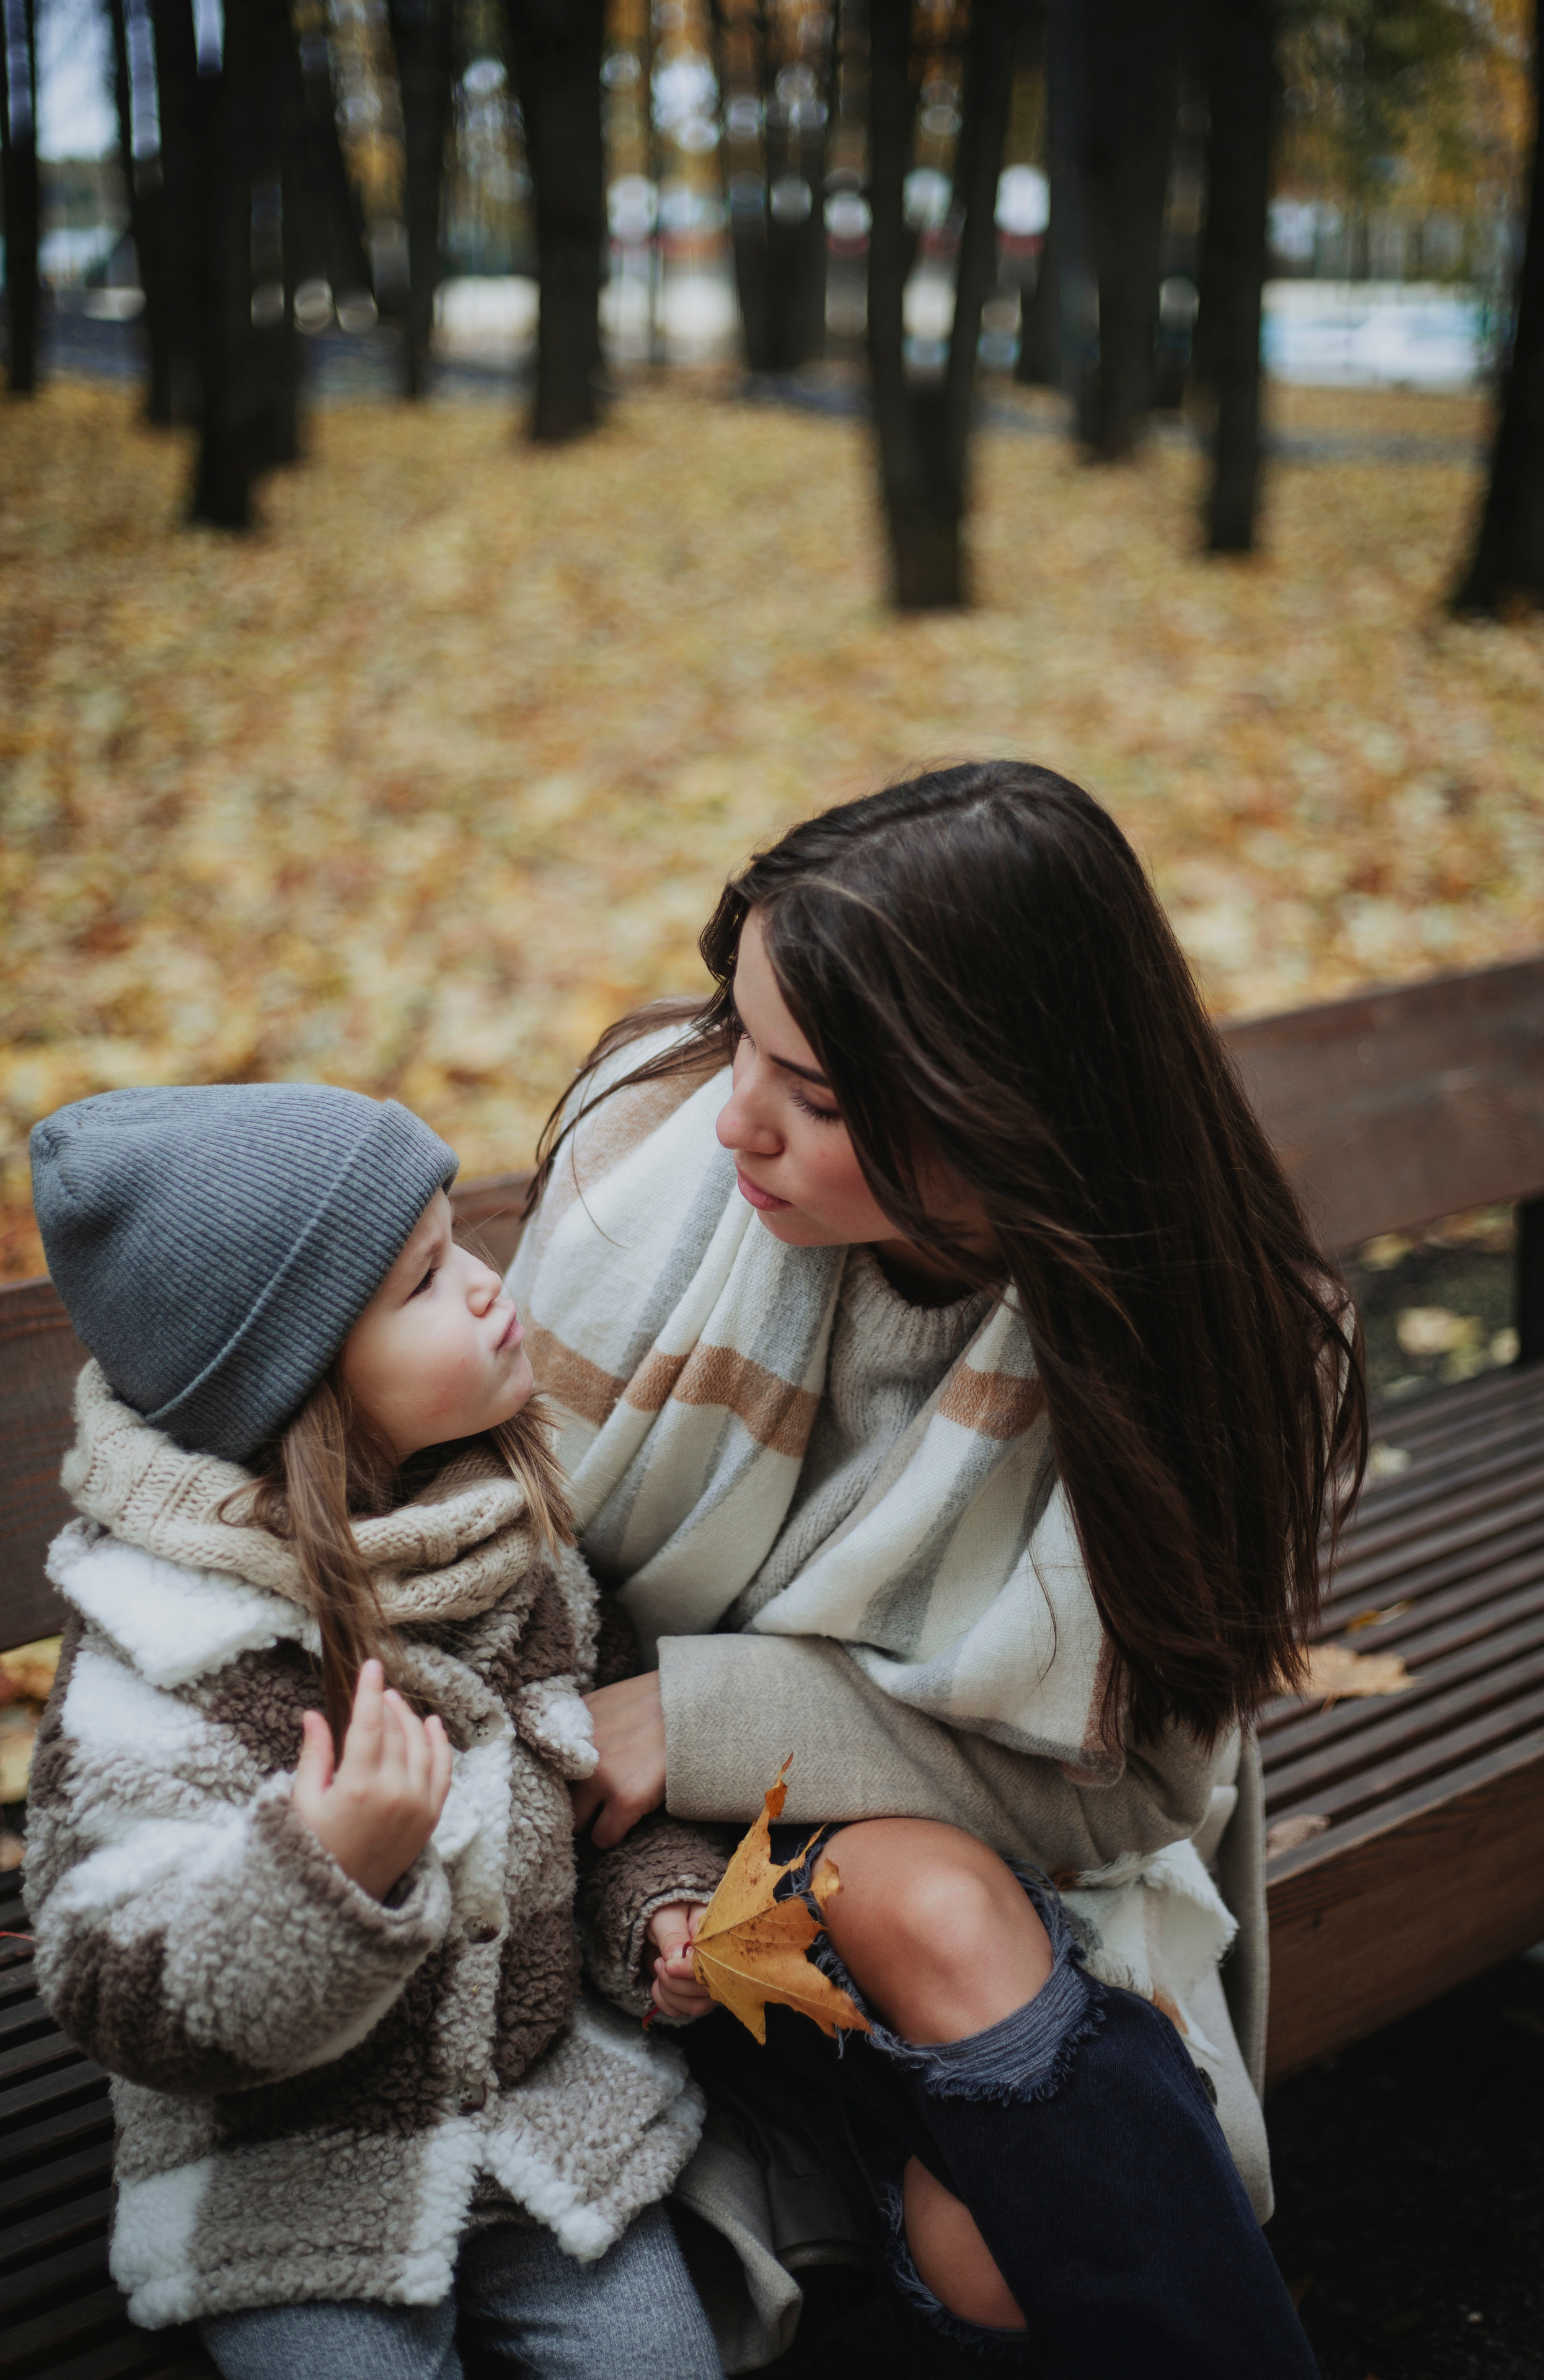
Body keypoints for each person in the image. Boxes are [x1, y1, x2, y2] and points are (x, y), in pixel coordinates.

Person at [508, 762, 1367, 2378]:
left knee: (1001, 2241)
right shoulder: (650, 1154)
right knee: (1039, 2176)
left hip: (985, 1871)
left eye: (819, 1097)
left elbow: (1131, 1793)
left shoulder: (1214, 1341)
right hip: (606, 1862)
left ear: (1013, 1116)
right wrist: (651, 1747)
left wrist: (703, 1714)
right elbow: (483, 1574)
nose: (735, 1119)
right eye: (736, 1032)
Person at [22, 1083, 731, 2380]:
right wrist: (323, 1873)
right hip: (293, 2189)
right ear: (301, 1391)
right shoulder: (168, 1649)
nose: (483, 1281)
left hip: (544, 2136)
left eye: (459, 1239)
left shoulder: (510, 1555)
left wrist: (661, 1910)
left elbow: (607, 1791)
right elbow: (108, 1983)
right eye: (420, 1283)